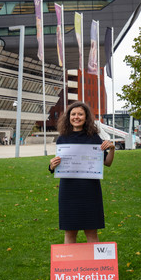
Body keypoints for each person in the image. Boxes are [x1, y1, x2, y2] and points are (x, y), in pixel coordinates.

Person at [49, 102, 115, 244]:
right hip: (69, 191)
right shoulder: (62, 138)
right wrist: (52, 165)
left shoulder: (94, 138)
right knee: (70, 231)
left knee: (91, 231)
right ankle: (70, 266)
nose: (76, 117)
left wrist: (112, 149)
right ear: (68, 117)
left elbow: (107, 163)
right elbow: (57, 164)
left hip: (90, 190)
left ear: (86, 117)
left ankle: (93, 266)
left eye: (80, 114)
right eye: (73, 114)